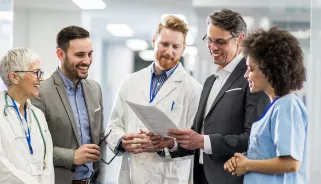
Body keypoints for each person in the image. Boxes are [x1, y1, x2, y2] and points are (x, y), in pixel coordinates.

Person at [150, 9, 270, 184]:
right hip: (203, 177)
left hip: (233, 178)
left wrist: (203, 141)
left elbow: (253, 139)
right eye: (210, 40)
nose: (213, 47)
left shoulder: (252, 78)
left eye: (220, 41)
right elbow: (197, 136)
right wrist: (172, 143)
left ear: (240, 39)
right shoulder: (209, 82)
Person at [105, 15, 202, 184]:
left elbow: (197, 141)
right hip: (132, 173)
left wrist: (170, 143)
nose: (169, 51)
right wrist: (122, 141)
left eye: (175, 46)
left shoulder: (193, 90)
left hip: (169, 176)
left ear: (183, 48)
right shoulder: (130, 82)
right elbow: (113, 125)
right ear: (154, 41)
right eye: (164, 44)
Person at [224, 27, 308, 184]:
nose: (246, 75)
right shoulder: (276, 106)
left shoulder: (287, 105)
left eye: (251, 69)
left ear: (269, 70)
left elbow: (291, 163)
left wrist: (248, 165)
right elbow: (268, 154)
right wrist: (242, 160)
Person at [31, 26, 105, 184]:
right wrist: (72, 157)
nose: (87, 61)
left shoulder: (95, 89)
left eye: (90, 54)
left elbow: (100, 138)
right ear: (60, 54)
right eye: (79, 55)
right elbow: (32, 147)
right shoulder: (41, 92)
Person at [0, 48, 54, 184]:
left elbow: (47, 164)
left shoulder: (38, 115)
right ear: (14, 77)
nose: (41, 78)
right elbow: (2, 168)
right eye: (36, 73)